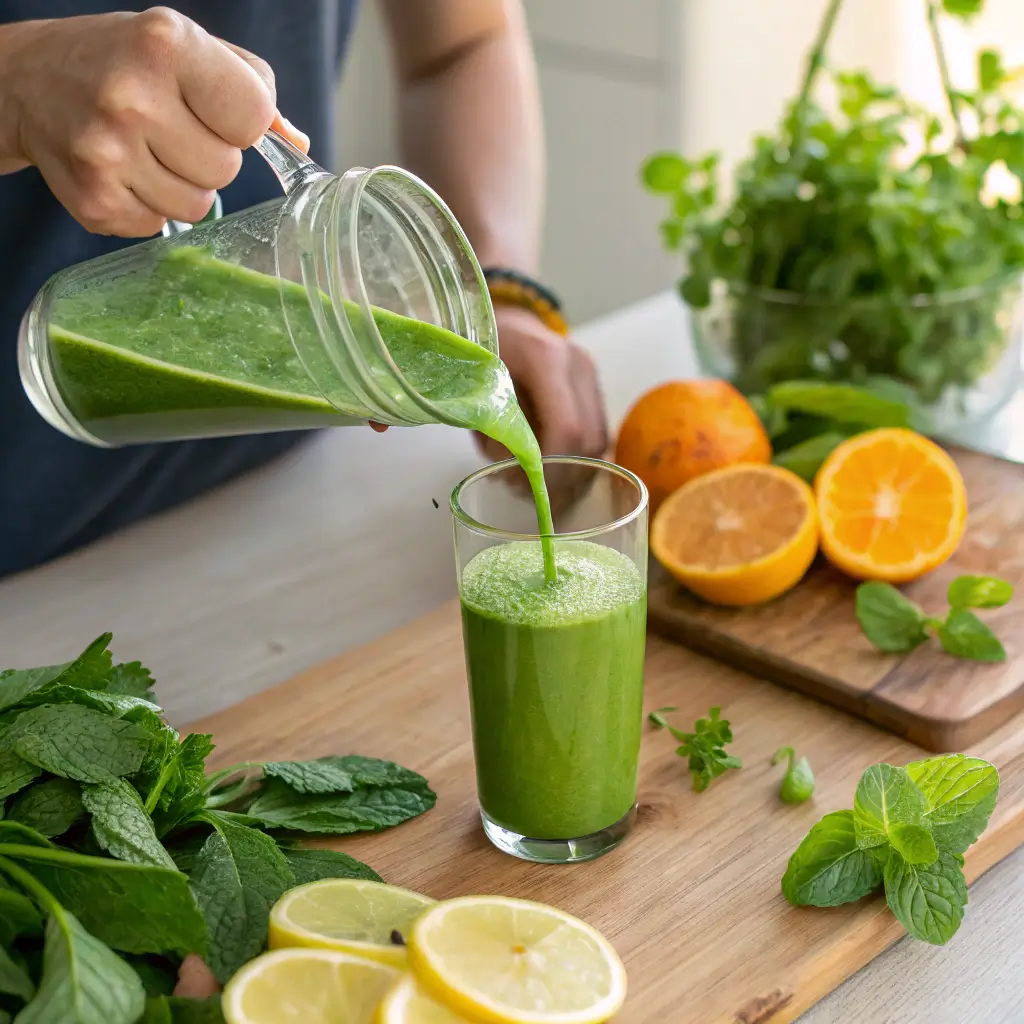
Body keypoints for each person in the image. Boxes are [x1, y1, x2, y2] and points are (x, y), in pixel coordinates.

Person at [0, 1, 608, 580]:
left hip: (280, 490)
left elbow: (460, 42)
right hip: (25, 515)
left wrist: (494, 288)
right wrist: (19, 82)